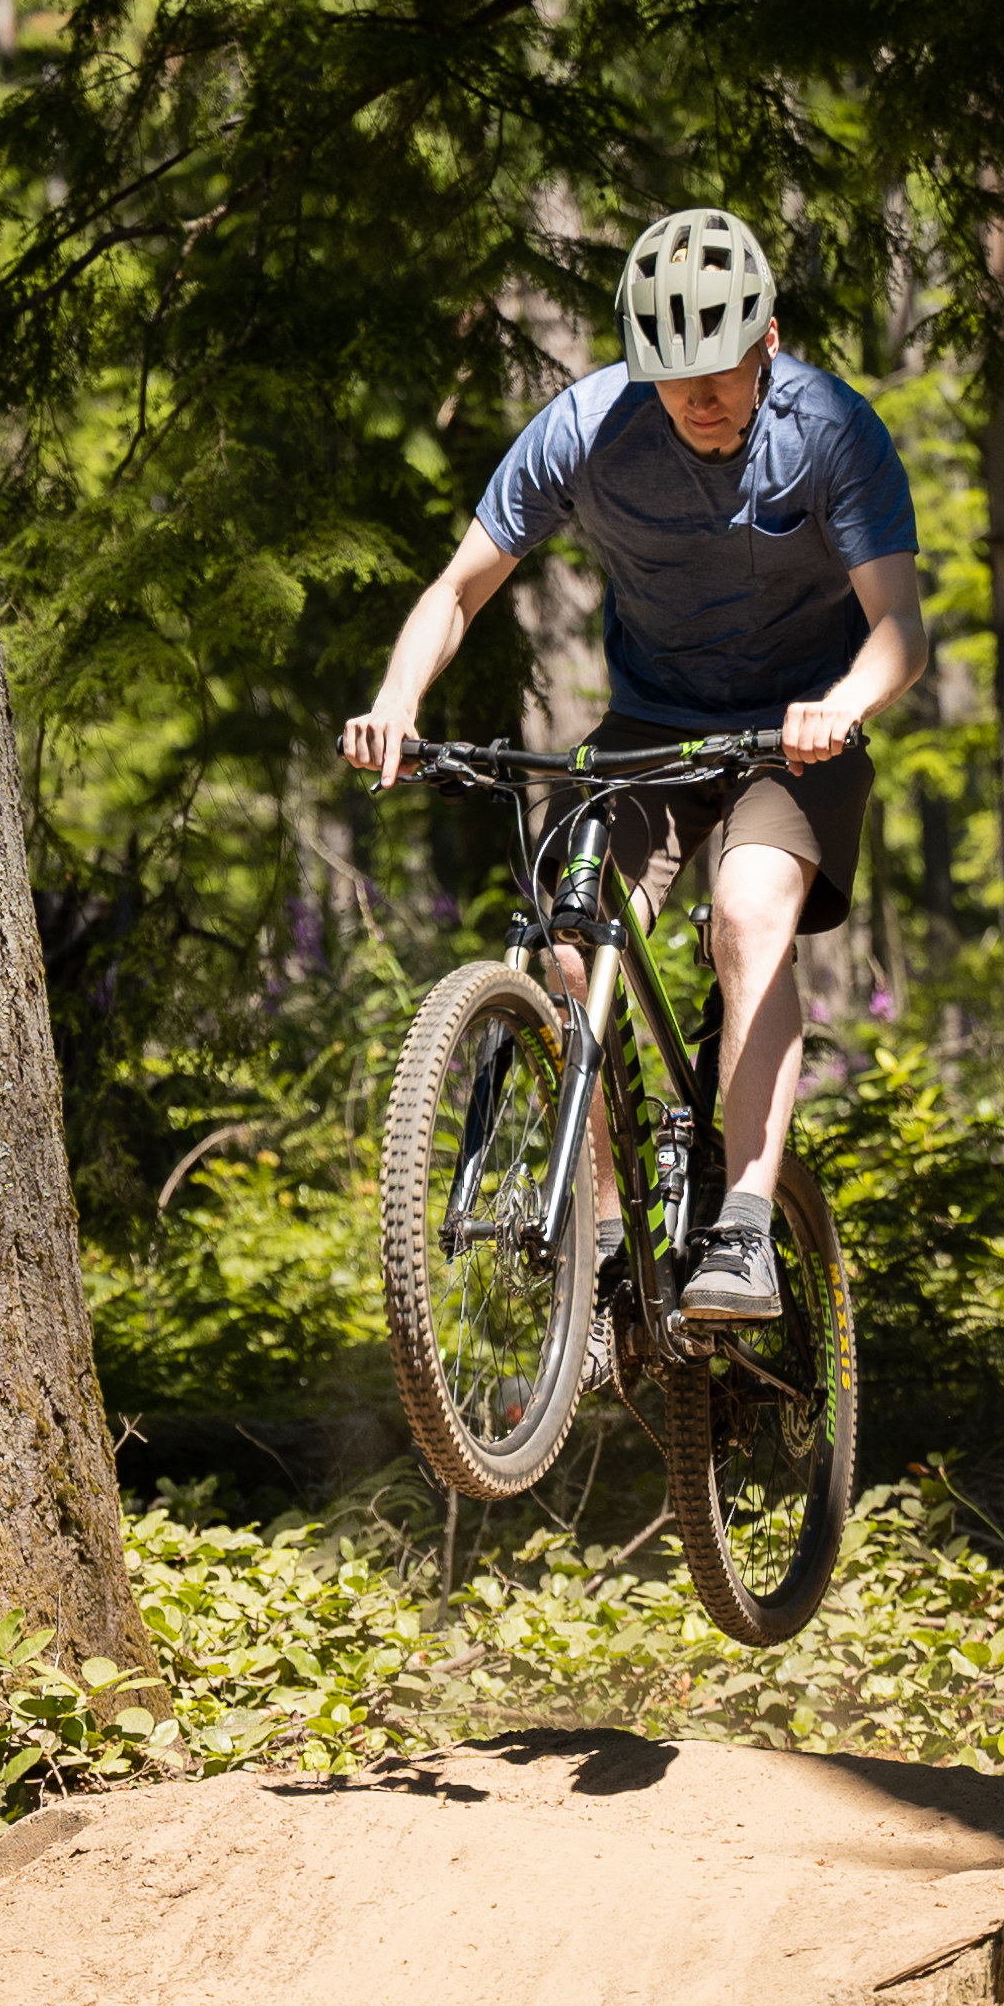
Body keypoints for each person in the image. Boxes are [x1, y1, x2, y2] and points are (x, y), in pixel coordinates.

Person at [341, 205, 926, 1324]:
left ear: (767, 341)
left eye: (720, 372)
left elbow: (900, 625)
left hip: (798, 728)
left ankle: (746, 1227)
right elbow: (459, 589)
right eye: (673, 378)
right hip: (654, 726)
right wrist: (396, 704)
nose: (700, 401)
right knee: (572, 946)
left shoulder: (833, 431)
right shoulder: (585, 429)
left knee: (748, 913)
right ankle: (606, 1247)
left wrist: (842, 706)